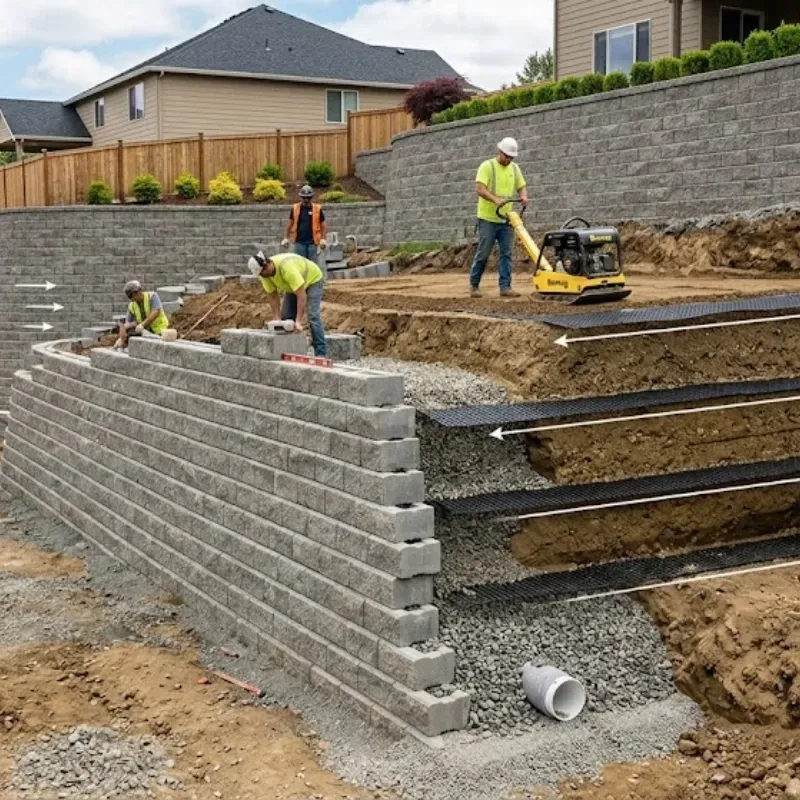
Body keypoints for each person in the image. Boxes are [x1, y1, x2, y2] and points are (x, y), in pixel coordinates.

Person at [469, 137, 529, 299]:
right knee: (483, 253)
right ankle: (474, 285)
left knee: (507, 253)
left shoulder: (515, 169)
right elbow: (480, 189)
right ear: (500, 152)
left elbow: (521, 186)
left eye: (512, 157)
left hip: (506, 219)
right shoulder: (487, 167)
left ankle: (505, 287)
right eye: (507, 156)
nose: (509, 160)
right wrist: (495, 200)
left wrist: (523, 196)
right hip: (488, 218)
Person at [248, 251, 328, 357]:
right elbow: (272, 296)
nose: (262, 277)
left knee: (313, 315)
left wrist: (298, 321)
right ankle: (291, 351)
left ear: (266, 266)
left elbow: (301, 296)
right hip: (293, 286)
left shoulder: (287, 268)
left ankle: (321, 353)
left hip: (313, 279)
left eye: (262, 274)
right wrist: (276, 318)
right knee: (285, 321)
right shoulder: (265, 275)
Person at [113, 280, 169, 349]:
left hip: (161, 331)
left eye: (131, 296)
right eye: (129, 297)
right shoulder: (132, 305)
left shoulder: (152, 296)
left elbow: (156, 312)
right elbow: (128, 323)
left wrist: (143, 324)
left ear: (138, 292)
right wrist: (121, 336)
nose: (131, 299)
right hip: (146, 333)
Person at [282, 185, 328, 261]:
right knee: (301, 265)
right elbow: (289, 224)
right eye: (304, 197)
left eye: (308, 198)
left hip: (313, 243)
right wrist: (286, 238)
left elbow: (324, 225)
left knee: (312, 265)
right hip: (299, 242)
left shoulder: (317, 209)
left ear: (311, 197)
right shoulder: (295, 208)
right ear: (301, 197)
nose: (306, 200)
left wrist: (323, 239)